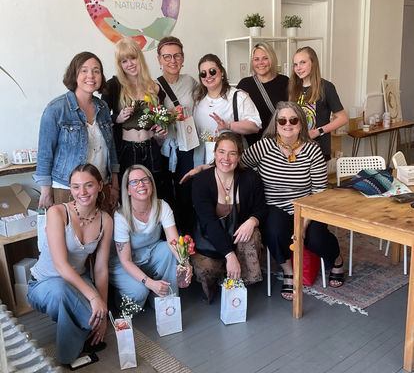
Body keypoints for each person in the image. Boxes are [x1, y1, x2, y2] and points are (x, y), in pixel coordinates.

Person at [242, 101, 344, 301]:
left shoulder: (313, 150)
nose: (287, 124)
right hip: (274, 206)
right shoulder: (264, 146)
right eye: (282, 120)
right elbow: (237, 162)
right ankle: (288, 271)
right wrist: (205, 169)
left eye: (293, 119)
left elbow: (319, 192)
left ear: (301, 124)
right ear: (276, 124)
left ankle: (337, 260)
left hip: (308, 207)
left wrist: (303, 226)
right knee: (274, 231)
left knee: (316, 239)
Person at [28, 164, 113, 365]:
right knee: (64, 292)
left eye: (88, 185)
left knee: (95, 315)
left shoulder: (106, 221)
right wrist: (93, 299)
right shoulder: (57, 212)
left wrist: (103, 305)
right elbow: (61, 266)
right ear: (70, 189)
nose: (81, 192)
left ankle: (83, 325)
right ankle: (70, 352)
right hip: (45, 283)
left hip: (78, 281)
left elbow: (100, 269)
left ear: (100, 185)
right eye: (75, 187)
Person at [34, 52, 119, 212]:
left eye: (96, 71)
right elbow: (45, 153)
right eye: (84, 70)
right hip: (67, 187)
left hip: (101, 186)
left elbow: (111, 148)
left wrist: (114, 185)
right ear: (74, 74)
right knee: (71, 235)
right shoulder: (56, 109)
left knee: (103, 234)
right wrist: (46, 190)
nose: (91, 76)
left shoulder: (103, 107)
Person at [191, 132, 266, 303]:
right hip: (210, 237)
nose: (226, 158)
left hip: (237, 233)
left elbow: (262, 208)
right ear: (214, 153)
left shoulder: (250, 178)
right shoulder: (201, 181)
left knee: (251, 234)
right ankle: (219, 277)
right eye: (222, 152)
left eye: (232, 153)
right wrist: (230, 255)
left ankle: (239, 286)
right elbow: (209, 223)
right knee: (206, 269)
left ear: (239, 156)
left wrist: (252, 220)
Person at [109, 165, 192, 307]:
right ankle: (124, 294)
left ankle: (164, 301)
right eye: (134, 182)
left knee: (167, 249)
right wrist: (150, 283)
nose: (141, 184)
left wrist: (185, 262)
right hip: (126, 263)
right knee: (138, 293)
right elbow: (126, 261)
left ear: (151, 184)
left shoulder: (162, 206)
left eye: (145, 180)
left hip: (150, 254)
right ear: (127, 190)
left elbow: (173, 242)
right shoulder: (121, 216)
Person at [101, 37, 167, 193]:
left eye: (133, 58)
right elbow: (101, 119)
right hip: (126, 150)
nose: (130, 64)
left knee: (155, 192)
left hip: (151, 147)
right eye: (124, 61)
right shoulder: (113, 86)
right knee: (128, 194)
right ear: (119, 65)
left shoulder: (154, 88)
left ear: (140, 58)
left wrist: (162, 128)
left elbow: (162, 119)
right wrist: (117, 118)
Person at [156, 36, 198, 235]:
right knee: (165, 194)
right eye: (167, 57)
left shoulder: (190, 82)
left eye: (177, 56)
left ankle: (188, 238)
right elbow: (148, 117)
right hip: (163, 148)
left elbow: (210, 95)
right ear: (159, 60)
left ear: (182, 58)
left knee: (186, 193)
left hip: (187, 146)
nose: (172, 60)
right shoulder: (153, 86)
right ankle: (170, 239)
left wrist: (238, 94)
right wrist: (168, 117)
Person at [193, 54, 261, 166]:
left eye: (212, 71)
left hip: (230, 162)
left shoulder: (238, 97)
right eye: (203, 73)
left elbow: (255, 126)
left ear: (222, 72)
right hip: (202, 160)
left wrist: (228, 125)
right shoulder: (197, 99)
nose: (208, 76)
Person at [289, 46, 348, 160]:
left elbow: (342, 118)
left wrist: (318, 132)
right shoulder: (292, 88)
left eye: (303, 62)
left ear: (313, 63)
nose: (298, 68)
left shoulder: (326, 87)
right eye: (295, 64)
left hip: (319, 149)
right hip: (296, 148)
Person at [237, 42, 289, 146]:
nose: (260, 63)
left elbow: (293, 112)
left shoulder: (285, 82)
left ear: (272, 59)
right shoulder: (244, 84)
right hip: (252, 145)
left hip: (280, 143)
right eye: (256, 59)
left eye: (265, 58)